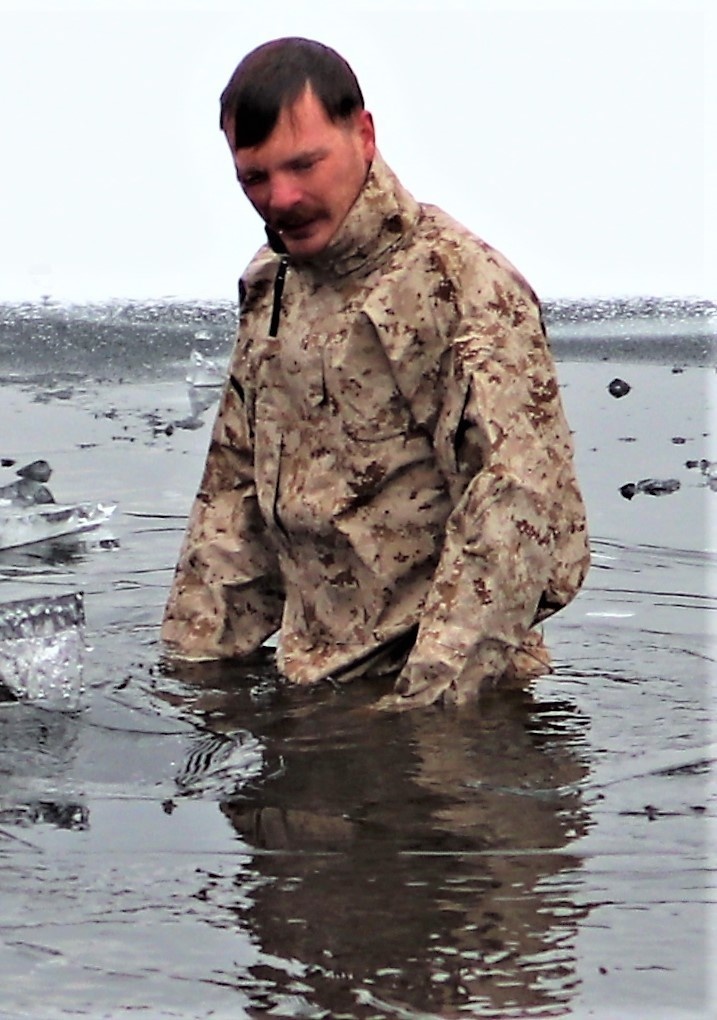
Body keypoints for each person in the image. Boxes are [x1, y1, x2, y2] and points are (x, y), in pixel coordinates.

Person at [161, 36, 590, 709]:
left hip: (450, 710)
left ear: (363, 134)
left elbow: (514, 511)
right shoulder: (272, 285)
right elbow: (233, 495)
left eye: (304, 164)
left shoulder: (456, 285)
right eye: (255, 177)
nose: (282, 197)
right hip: (314, 694)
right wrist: (192, 680)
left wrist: (420, 728)